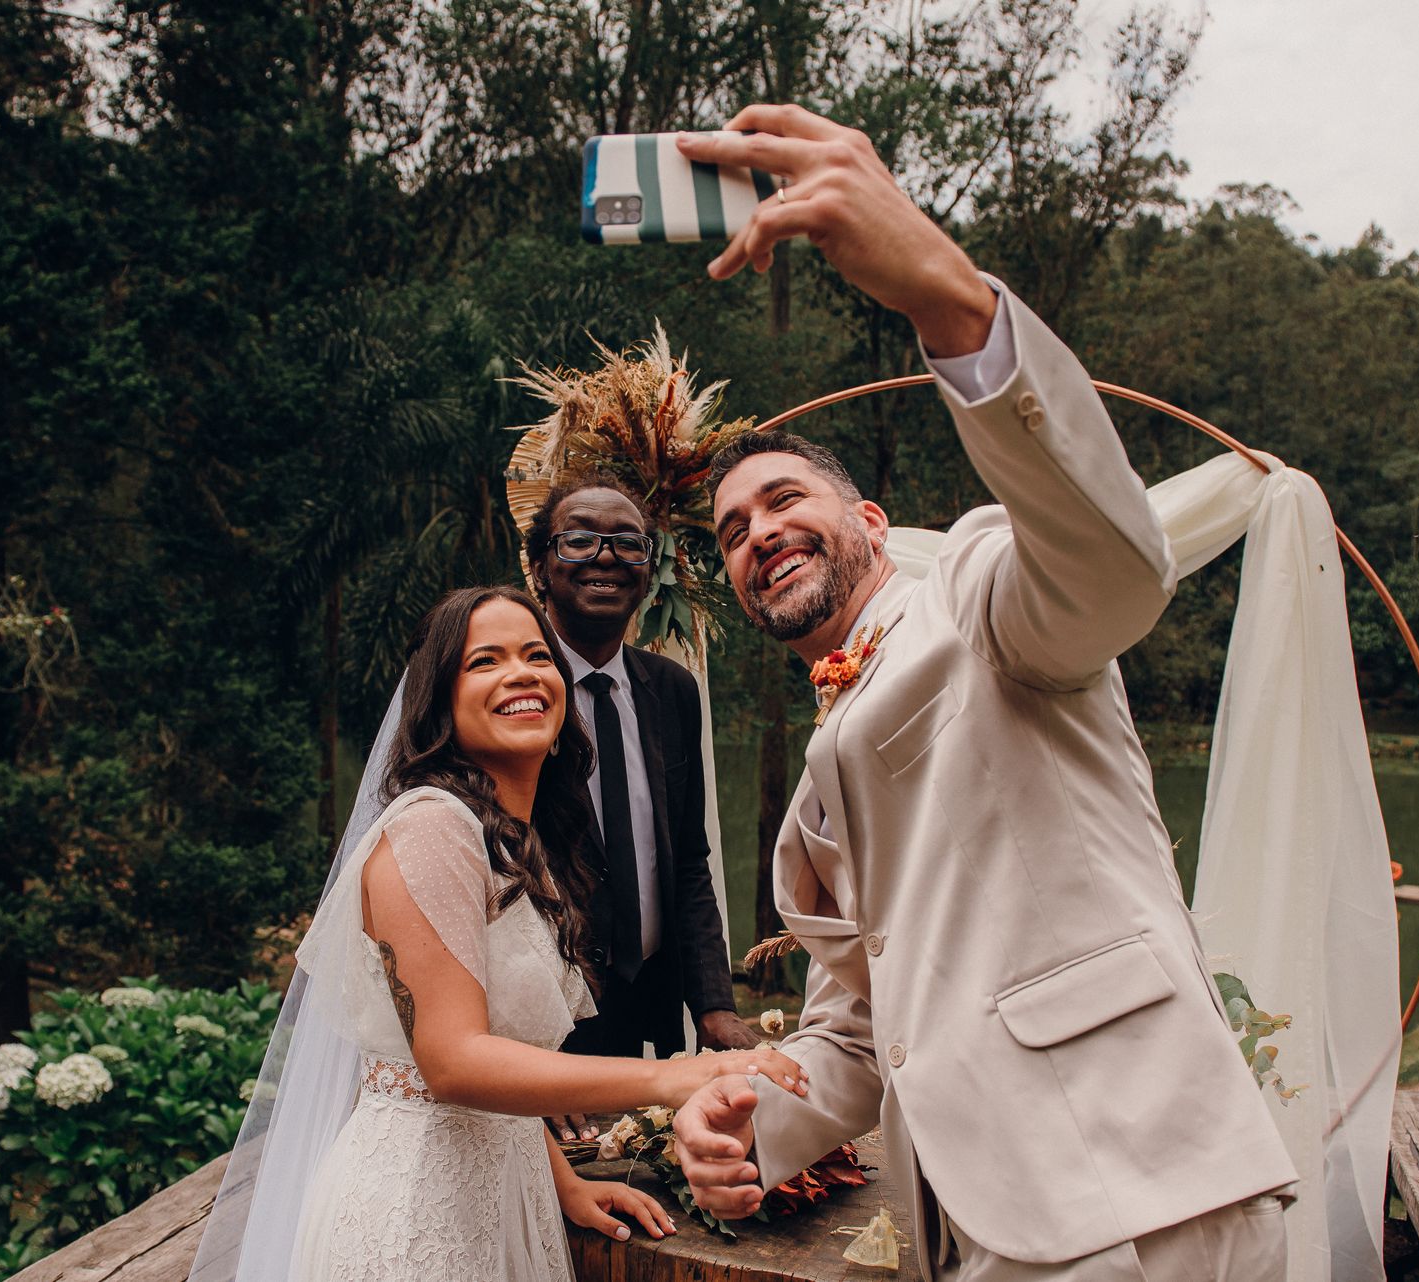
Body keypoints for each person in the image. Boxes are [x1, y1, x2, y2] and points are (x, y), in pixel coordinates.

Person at [670, 106, 1300, 1281]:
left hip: (1139, 1202)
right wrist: (753, 1119)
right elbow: (864, 1027)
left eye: (784, 500)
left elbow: (1114, 566)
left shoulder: (976, 596)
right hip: (971, 1229)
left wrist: (949, 303)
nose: (758, 533)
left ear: (869, 523)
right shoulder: (819, 778)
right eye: (733, 531)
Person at [271, 585, 808, 1281]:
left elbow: (503, 1053)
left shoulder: (513, 843)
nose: (520, 673)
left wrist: (565, 1185)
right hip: (416, 1219)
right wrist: (679, 1075)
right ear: (438, 702)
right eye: (484, 661)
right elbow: (453, 1062)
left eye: (535, 655)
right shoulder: (432, 829)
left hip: (504, 1195)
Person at [521, 478, 758, 1078]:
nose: (606, 556)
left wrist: (714, 1004)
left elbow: (687, 860)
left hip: (645, 1012)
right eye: (579, 540)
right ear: (539, 567)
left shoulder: (673, 691)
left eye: (629, 544)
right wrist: (525, 1056)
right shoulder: (512, 690)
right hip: (537, 1026)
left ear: (650, 572)